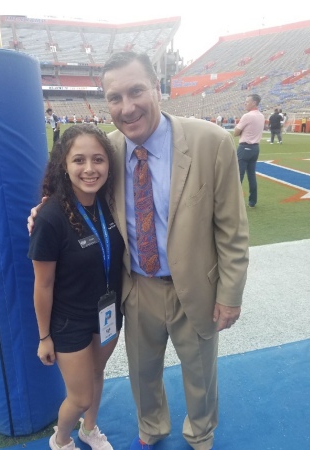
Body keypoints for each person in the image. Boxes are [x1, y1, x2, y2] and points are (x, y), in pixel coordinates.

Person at [29, 52, 249, 450]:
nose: (127, 107)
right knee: (142, 372)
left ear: (158, 89)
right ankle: (152, 428)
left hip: (197, 285)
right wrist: (41, 210)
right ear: (106, 103)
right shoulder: (107, 150)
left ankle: (200, 433)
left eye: (136, 91)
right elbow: (72, 191)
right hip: (137, 286)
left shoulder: (210, 142)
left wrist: (230, 295)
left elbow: (232, 229)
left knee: (200, 372)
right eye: (115, 97)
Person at [28, 124, 124, 450]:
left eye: (98, 159)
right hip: (70, 321)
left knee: (98, 374)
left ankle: (89, 429)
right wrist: (44, 337)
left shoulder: (110, 202)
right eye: (79, 160)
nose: (89, 169)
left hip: (108, 311)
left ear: (108, 164)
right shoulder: (50, 216)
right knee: (80, 395)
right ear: (64, 165)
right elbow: (43, 284)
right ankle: (62, 438)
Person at [234, 94, 265, 208]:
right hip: (255, 148)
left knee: (238, 175)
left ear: (254, 103)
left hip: (245, 147)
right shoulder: (261, 116)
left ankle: (234, 202)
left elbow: (236, 132)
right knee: (251, 175)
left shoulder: (247, 116)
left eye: (247, 102)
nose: (245, 103)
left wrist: (241, 132)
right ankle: (252, 201)